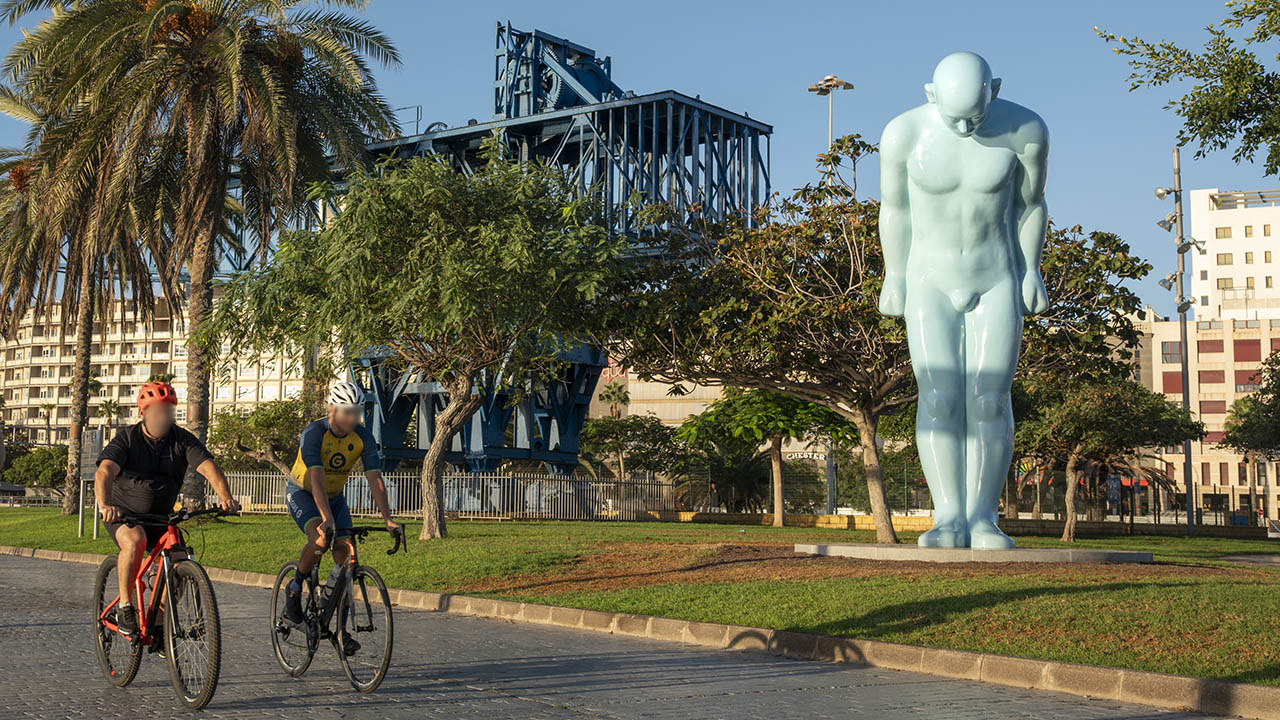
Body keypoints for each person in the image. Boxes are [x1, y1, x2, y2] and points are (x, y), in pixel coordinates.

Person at [878, 52, 1049, 549]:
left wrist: (1032, 270)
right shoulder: (902, 134)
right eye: (955, 117)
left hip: (996, 276)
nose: (966, 126)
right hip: (929, 278)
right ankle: (947, 516)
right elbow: (894, 209)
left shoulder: (1027, 130)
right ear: (931, 94)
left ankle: (982, 518)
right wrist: (893, 274)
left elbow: (1030, 205)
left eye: (975, 115)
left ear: (994, 89)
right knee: (938, 395)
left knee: (990, 397)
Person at [95, 381, 241, 638]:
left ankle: (159, 622)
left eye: (169, 411)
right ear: (144, 413)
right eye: (158, 411)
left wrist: (226, 498)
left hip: (162, 518)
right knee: (135, 540)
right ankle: (126, 606)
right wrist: (105, 505)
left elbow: (208, 467)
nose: (165, 417)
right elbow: (105, 471)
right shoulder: (127, 438)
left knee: (179, 562)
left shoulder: (181, 439)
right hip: (124, 515)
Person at [280, 380, 400, 648]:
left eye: (357, 412)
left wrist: (387, 519)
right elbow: (317, 480)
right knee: (320, 539)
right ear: (332, 409)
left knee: (347, 561)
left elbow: (375, 480)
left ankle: (339, 630)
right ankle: (295, 586)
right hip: (303, 493)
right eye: (347, 411)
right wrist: (326, 520)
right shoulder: (314, 433)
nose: (352, 418)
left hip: (335, 498)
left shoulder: (363, 437)